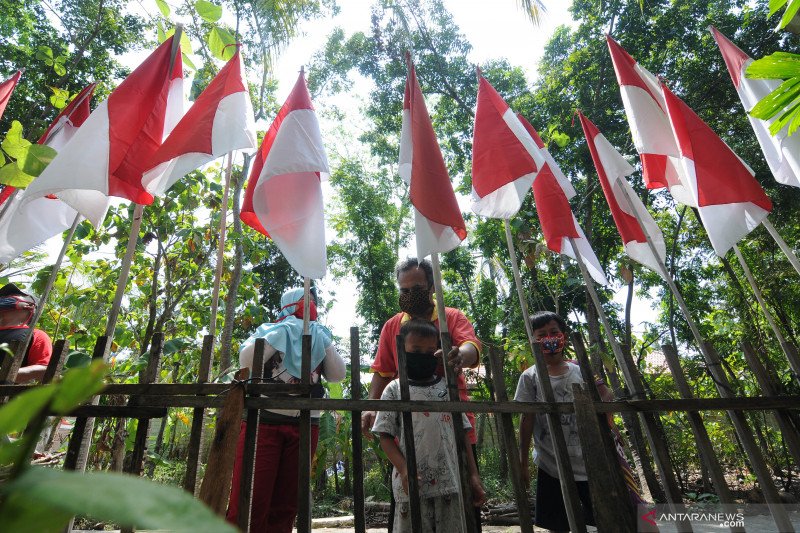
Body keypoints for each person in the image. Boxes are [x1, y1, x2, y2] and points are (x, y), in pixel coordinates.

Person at [226, 287, 345, 533]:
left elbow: (337, 375)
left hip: (305, 422)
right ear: (289, 304)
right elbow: (247, 361)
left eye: (312, 301)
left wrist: (324, 341)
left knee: (287, 504)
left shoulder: (319, 336)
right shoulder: (271, 330)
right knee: (250, 499)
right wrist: (282, 332)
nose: (310, 304)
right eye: (305, 300)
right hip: (265, 421)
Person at [373, 319, 486, 532]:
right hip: (410, 488)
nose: (424, 354)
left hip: (450, 487)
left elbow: (462, 433)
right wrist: (404, 468)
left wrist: (473, 474)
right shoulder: (394, 390)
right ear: (402, 351)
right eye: (416, 349)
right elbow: (384, 436)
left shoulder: (446, 388)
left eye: (430, 350)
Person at [514, 310, 615, 532]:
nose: (549, 338)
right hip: (551, 465)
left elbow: (605, 403)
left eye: (554, 332)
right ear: (533, 340)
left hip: (588, 462)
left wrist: (613, 431)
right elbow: (526, 419)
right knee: (556, 524)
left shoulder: (581, 372)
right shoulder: (529, 377)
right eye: (541, 335)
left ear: (564, 337)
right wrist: (522, 462)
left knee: (601, 520)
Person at [0, 283, 52, 383]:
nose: (4, 300)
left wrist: (5, 374)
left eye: (11, 298)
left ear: (29, 307)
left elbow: (43, 370)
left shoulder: (36, 335)